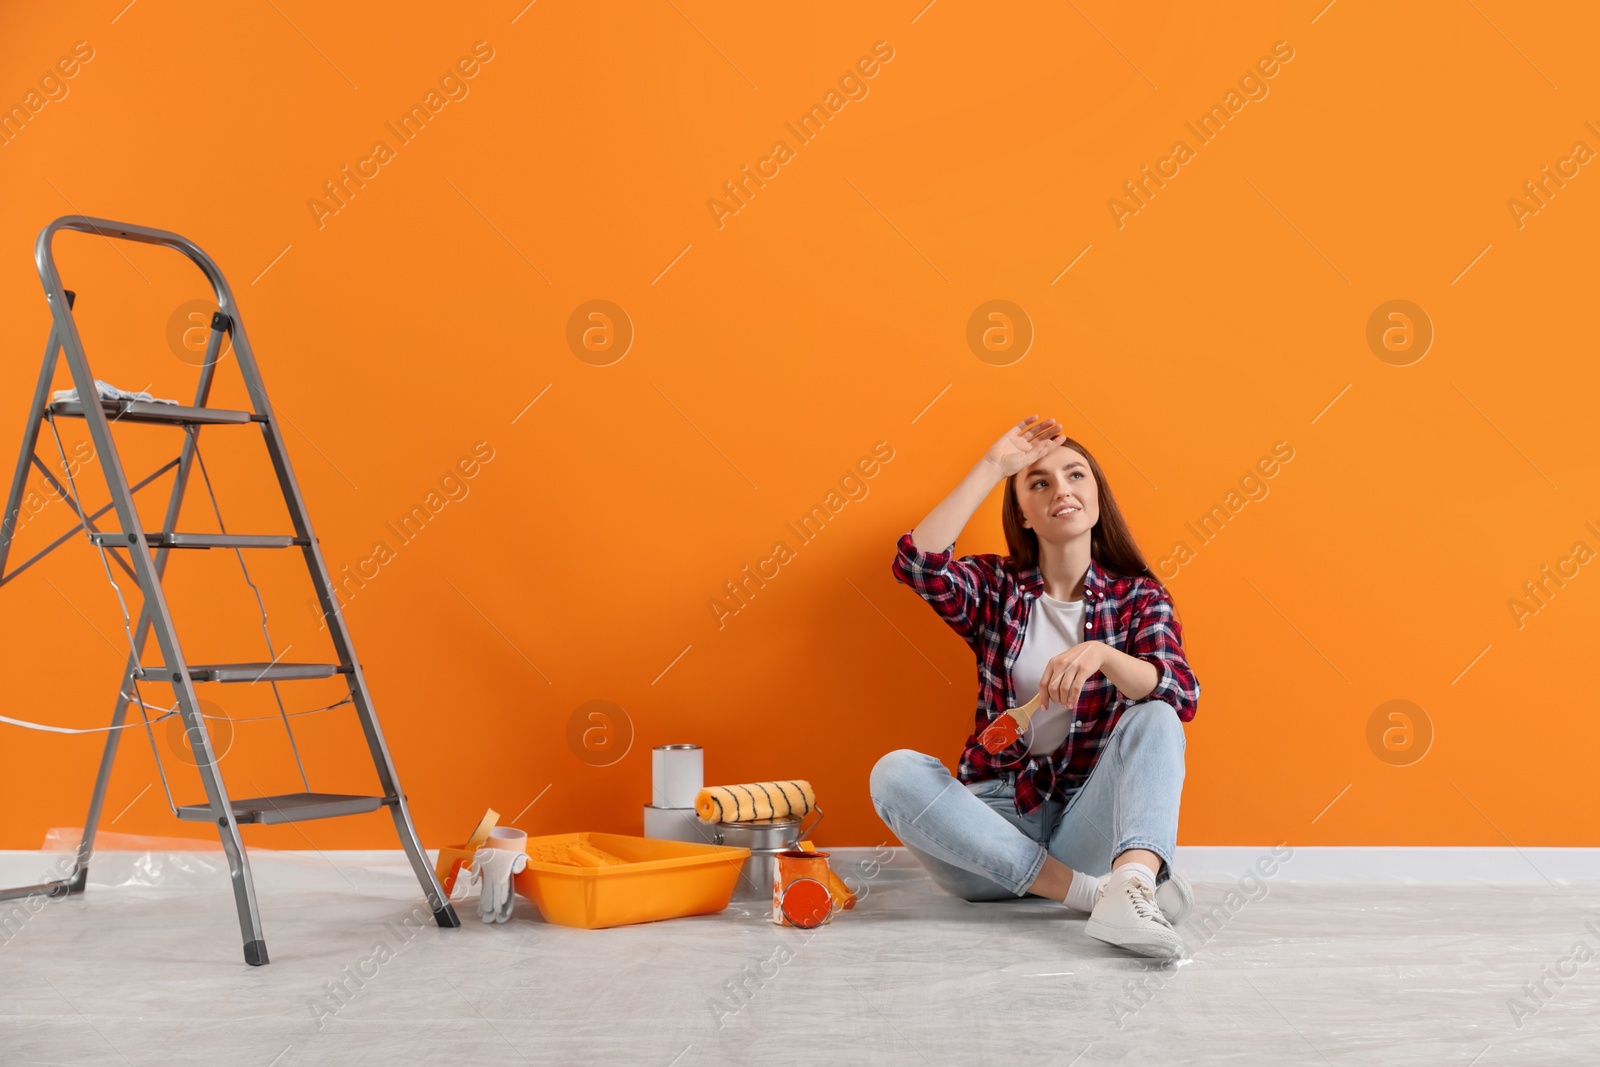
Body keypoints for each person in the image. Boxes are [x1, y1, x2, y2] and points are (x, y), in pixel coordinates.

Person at [869, 415, 1201, 958]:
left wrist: (1105, 655)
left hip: (1081, 826)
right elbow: (919, 565)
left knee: (1155, 712)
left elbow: (1181, 696)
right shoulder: (998, 588)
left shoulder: (1139, 597)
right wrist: (992, 467)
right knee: (895, 772)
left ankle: (1133, 884)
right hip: (987, 835)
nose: (1061, 490)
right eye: (1039, 483)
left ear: (1097, 496)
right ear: (1022, 513)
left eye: (1076, 476)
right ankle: (1097, 896)